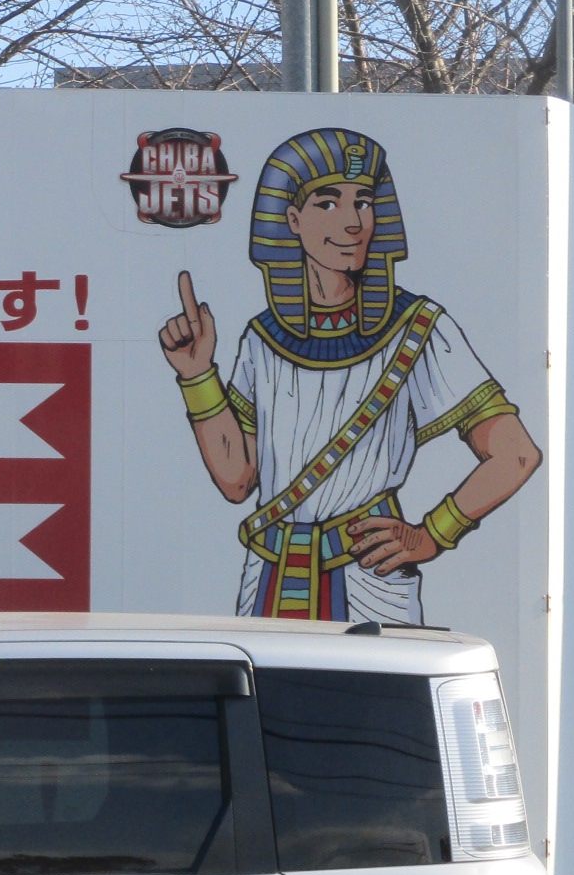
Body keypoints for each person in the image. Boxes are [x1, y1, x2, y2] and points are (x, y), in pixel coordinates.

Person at [157, 128, 542, 623]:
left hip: (370, 581)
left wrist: (431, 534)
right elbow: (237, 481)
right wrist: (197, 375)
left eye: (363, 202)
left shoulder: (418, 328)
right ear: (292, 220)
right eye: (327, 203)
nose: (353, 222)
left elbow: (516, 454)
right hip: (268, 575)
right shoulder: (262, 338)